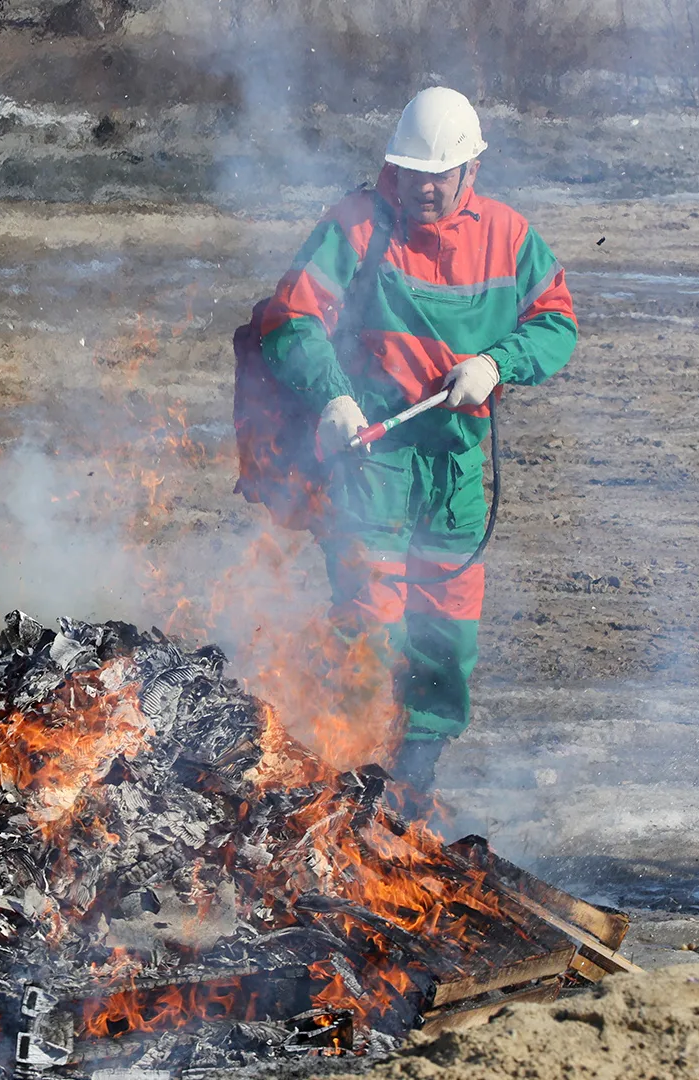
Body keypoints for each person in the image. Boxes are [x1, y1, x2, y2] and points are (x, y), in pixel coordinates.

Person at [259, 87, 577, 797]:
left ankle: (412, 777)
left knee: (448, 627)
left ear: (470, 172)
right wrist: (332, 395)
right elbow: (291, 319)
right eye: (409, 172)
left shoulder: (510, 237)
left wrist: (497, 363)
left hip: (456, 460)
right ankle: (332, 769)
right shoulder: (357, 225)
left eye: (438, 175)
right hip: (374, 456)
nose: (422, 188)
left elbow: (556, 322)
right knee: (369, 622)